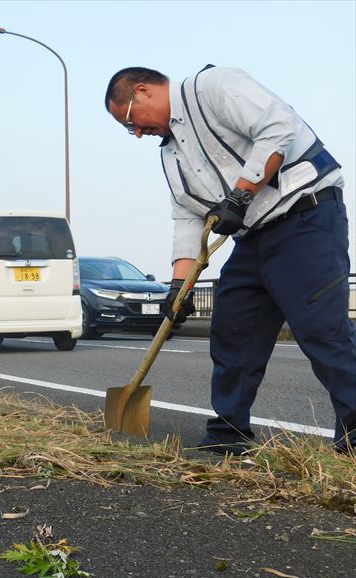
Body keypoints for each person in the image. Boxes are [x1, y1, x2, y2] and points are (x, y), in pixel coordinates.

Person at [104, 65, 355, 455]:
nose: (136, 132)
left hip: (306, 219)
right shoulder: (170, 154)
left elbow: (279, 127)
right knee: (232, 332)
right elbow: (187, 216)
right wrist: (178, 286)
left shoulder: (213, 86)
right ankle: (228, 435)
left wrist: (240, 195)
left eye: (130, 120)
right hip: (252, 238)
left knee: (321, 330)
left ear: (143, 91)